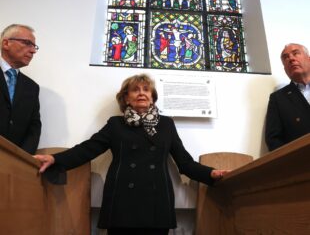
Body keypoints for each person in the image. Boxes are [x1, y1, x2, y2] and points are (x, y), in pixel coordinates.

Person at [34, 73, 229, 235]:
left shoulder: (166, 124)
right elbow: (88, 149)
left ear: (152, 97)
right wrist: (55, 158)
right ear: (126, 98)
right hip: (122, 201)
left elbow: (184, 162)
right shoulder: (115, 124)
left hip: (157, 200)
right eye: (135, 90)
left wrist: (210, 173)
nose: (141, 93)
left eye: (146, 90)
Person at [0, 24, 41, 154]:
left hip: (14, 165)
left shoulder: (32, 87)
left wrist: (22, 158)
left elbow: (34, 128)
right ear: (6, 43)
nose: (33, 51)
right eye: (27, 43)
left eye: (34, 46)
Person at [265, 43, 310, 151]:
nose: (291, 59)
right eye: (285, 57)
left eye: (295, 53)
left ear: (309, 59)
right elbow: (274, 140)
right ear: (285, 68)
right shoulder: (278, 99)